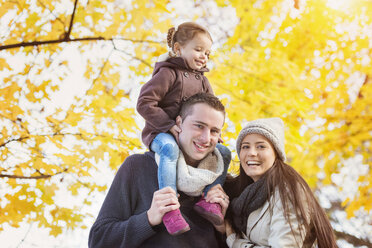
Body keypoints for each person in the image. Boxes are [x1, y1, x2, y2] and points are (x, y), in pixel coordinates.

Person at [89, 93, 230, 248]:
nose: (206, 138)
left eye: (214, 131)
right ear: (179, 123)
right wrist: (149, 218)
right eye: (199, 126)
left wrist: (223, 229)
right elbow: (99, 241)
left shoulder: (220, 184)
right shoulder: (138, 166)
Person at [136, 22, 231, 235]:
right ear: (178, 49)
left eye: (207, 53)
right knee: (170, 150)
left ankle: (210, 198)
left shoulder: (204, 82)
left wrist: (217, 136)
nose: (204, 56)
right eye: (198, 50)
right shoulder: (167, 73)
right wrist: (168, 125)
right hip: (161, 132)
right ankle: (170, 209)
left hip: (191, 136)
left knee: (223, 152)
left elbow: (213, 111)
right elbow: (144, 103)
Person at [224, 117, 337, 248]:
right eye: (245, 146)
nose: (252, 153)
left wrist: (235, 242)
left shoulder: (289, 191)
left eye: (261, 146)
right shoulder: (246, 196)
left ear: (276, 153)